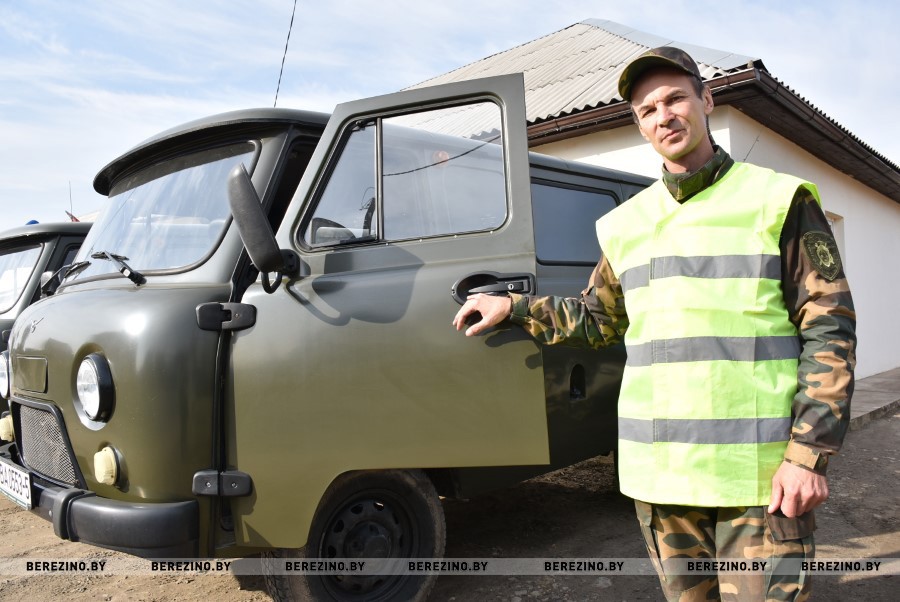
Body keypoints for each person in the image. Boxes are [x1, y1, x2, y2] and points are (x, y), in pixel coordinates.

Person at [453, 46, 856, 601]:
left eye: (675, 99)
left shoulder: (777, 200)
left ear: (706, 100)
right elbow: (599, 320)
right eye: (647, 110)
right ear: (640, 126)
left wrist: (807, 456)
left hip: (758, 481)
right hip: (662, 480)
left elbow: (830, 331)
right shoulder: (626, 225)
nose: (664, 116)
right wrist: (516, 308)